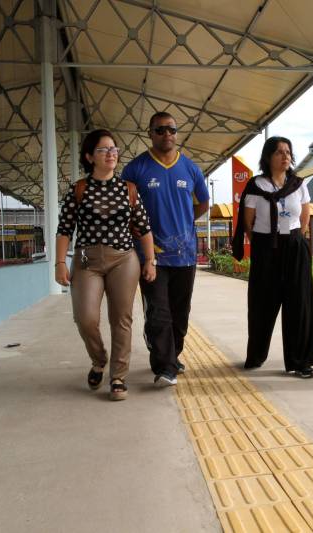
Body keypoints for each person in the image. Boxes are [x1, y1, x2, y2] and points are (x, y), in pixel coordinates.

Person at [55, 129, 157, 401]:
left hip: (124, 259)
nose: (111, 154)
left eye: (114, 149)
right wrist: (59, 263)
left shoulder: (128, 190)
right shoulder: (79, 189)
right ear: (90, 157)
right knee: (85, 318)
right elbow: (64, 230)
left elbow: (144, 228)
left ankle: (118, 376)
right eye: (103, 150)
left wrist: (150, 260)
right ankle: (99, 358)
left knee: (121, 319)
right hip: (87, 260)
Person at [122, 112, 210, 387]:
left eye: (171, 129)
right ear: (150, 133)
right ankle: (164, 367)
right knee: (159, 312)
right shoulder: (136, 169)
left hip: (185, 256)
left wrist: (184, 221)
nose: (167, 135)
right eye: (160, 130)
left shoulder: (191, 169)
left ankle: (172, 356)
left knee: (180, 315)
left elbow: (203, 204)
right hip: (152, 257)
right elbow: (126, 208)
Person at [231, 136, 313, 378]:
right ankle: (256, 355)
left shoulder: (298, 184)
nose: (285, 156)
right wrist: (264, 243)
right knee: (262, 304)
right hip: (265, 248)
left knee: (298, 304)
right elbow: (248, 223)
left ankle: (300, 361)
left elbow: (304, 218)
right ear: (268, 156)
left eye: (288, 152)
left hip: (294, 246)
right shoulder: (255, 185)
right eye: (279, 152)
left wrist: (293, 239)